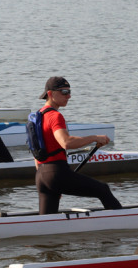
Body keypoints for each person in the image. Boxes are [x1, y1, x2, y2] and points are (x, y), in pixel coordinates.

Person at [34, 76, 122, 215]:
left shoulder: (37, 116)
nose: (68, 96)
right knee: (103, 189)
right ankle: (122, 223)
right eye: (63, 92)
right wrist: (94, 138)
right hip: (56, 173)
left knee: (46, 223)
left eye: (69, 92)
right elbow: (66, 142)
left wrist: (49, 180)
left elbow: (37, 151)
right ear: (50, 94)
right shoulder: (55, 116)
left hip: (41, 176)